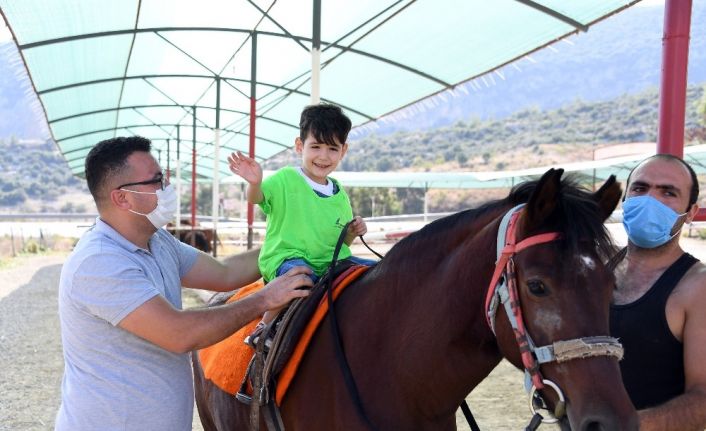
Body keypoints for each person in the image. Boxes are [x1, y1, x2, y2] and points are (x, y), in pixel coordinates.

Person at [55, 136, 313, 431]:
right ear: (121, 198)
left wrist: (293, 245)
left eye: (163, 178)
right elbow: (179, 333)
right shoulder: (99, 262)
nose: (166, 189)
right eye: (155, 181)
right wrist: (264, 299)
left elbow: (225, 273)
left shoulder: (157, 241)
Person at [228, 103, 376, 342]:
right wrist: (254, 183)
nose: (323, 156)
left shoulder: (339, 193)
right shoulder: (286, 179)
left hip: (332, 262)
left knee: (376, 273)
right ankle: (264, 328)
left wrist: (352, 231)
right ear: (300, 146)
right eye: (315, 146)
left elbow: (342, 241)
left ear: (343, 150)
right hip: (290, 258)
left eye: (332, 148)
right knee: (300, 280)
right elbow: (256, 198)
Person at [610, 154, 706, 431]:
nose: (650, 200)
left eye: (668, 192)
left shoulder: (697, 288)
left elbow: (703, 400)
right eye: (640, 189)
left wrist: (621, 426)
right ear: (626, 200)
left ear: (690, 213)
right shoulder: (596, 272)